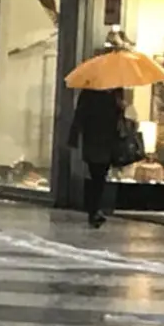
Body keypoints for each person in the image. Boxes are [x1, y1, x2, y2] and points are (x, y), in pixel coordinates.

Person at [68, 87, 124, 228]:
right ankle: (93, 210)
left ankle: (94, 209)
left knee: (99, 176)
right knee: (97, 175)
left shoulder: (115, 92)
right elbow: (81, 113)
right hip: (94, 139)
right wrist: (74, 135)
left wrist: (120, 107)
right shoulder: (90, 92)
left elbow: (117, 116)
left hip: (106, 140)